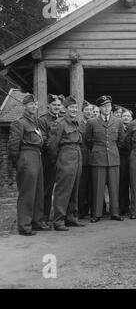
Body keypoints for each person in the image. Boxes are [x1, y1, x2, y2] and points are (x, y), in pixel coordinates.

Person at [8, 94, 49, 236]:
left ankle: (36, 222)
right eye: (30, 104)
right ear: (24, 106)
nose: (34, 106)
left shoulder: (34, 122)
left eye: (35, 104)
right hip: (26, 156)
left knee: (38, 191)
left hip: (37, 156)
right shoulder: (19, 122)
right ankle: (24, 226)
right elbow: (13, 145)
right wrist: (18, 162)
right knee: (27, 193)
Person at [85, 95, 125, 223]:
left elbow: (121, 140)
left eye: (108, 106)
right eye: (103, 106)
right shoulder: (92, 122)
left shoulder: (118, 121)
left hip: (113, 158)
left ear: (111, 107)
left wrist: (113, 149)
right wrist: (97, 149)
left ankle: (115, 212)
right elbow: (88, 140)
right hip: (98, 158)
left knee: (114, 187)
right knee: (98, 187)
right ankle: (97, 214)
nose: (106, 108)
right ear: (99, 108)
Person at [48, 96, 85, 231]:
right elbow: (52, 145)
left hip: (77, 154)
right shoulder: (60, 123)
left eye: (76, 107)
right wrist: (57, 160)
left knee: (74, 188)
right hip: (66, 155)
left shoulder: (76, 122)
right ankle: (58, 221)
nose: (74, 110)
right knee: (63, 190)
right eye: (71, 107)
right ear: (65, 109)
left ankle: (72, 217)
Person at [38, 94, 63, 224]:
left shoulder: (63, 120)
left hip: (63, 159)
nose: (56, 107)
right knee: (46, 190)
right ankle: (43, 217)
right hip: (48, 160)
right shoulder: (43, 120)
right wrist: (54, 156)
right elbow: (44, 140)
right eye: (54, 105)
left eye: (59, 105)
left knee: (62, 189)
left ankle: (61, 217)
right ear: (49, 106)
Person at [78, 101, 93, 219]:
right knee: (82, 187)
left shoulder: (95, 124)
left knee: (92, 187)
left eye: (90, 110)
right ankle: (81, 211)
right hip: (83, 159)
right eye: (86, 110)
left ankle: (94, 210)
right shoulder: (79, 125)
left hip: (94, 159)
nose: (88, 112)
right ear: (82, 111)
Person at [119, 108, 133, 216]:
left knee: (134, 183)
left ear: (131, 118)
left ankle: (135, 207)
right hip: (121, 157)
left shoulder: (134, 127)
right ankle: (122, 207)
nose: (126, 118)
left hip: (133, 156)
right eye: (124, 116)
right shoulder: (118, 127)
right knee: (122, 182)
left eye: (128, 116)